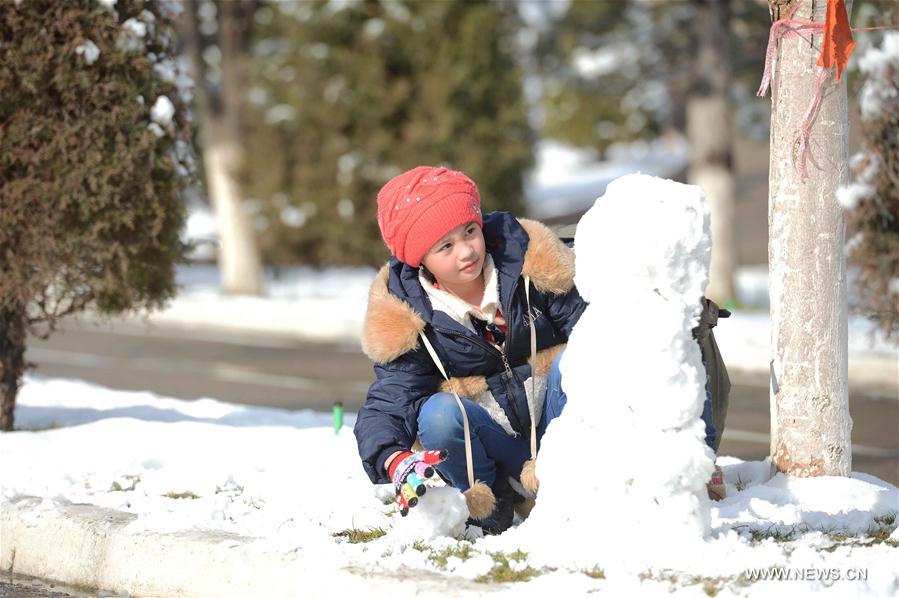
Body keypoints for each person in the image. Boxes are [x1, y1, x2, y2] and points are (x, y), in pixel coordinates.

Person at [354, 165, 723, 535]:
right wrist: (394, 458)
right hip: (495, 447)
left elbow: (598, 332)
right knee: (436, 413)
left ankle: (580, 484)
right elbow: (390, 399)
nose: (466, 251)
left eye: (470, 231)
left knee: (574, 357)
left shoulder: (528, 268)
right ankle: (489, 507)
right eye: (445, 246)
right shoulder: (412, 316)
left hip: (559, 427)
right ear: (421, 259)